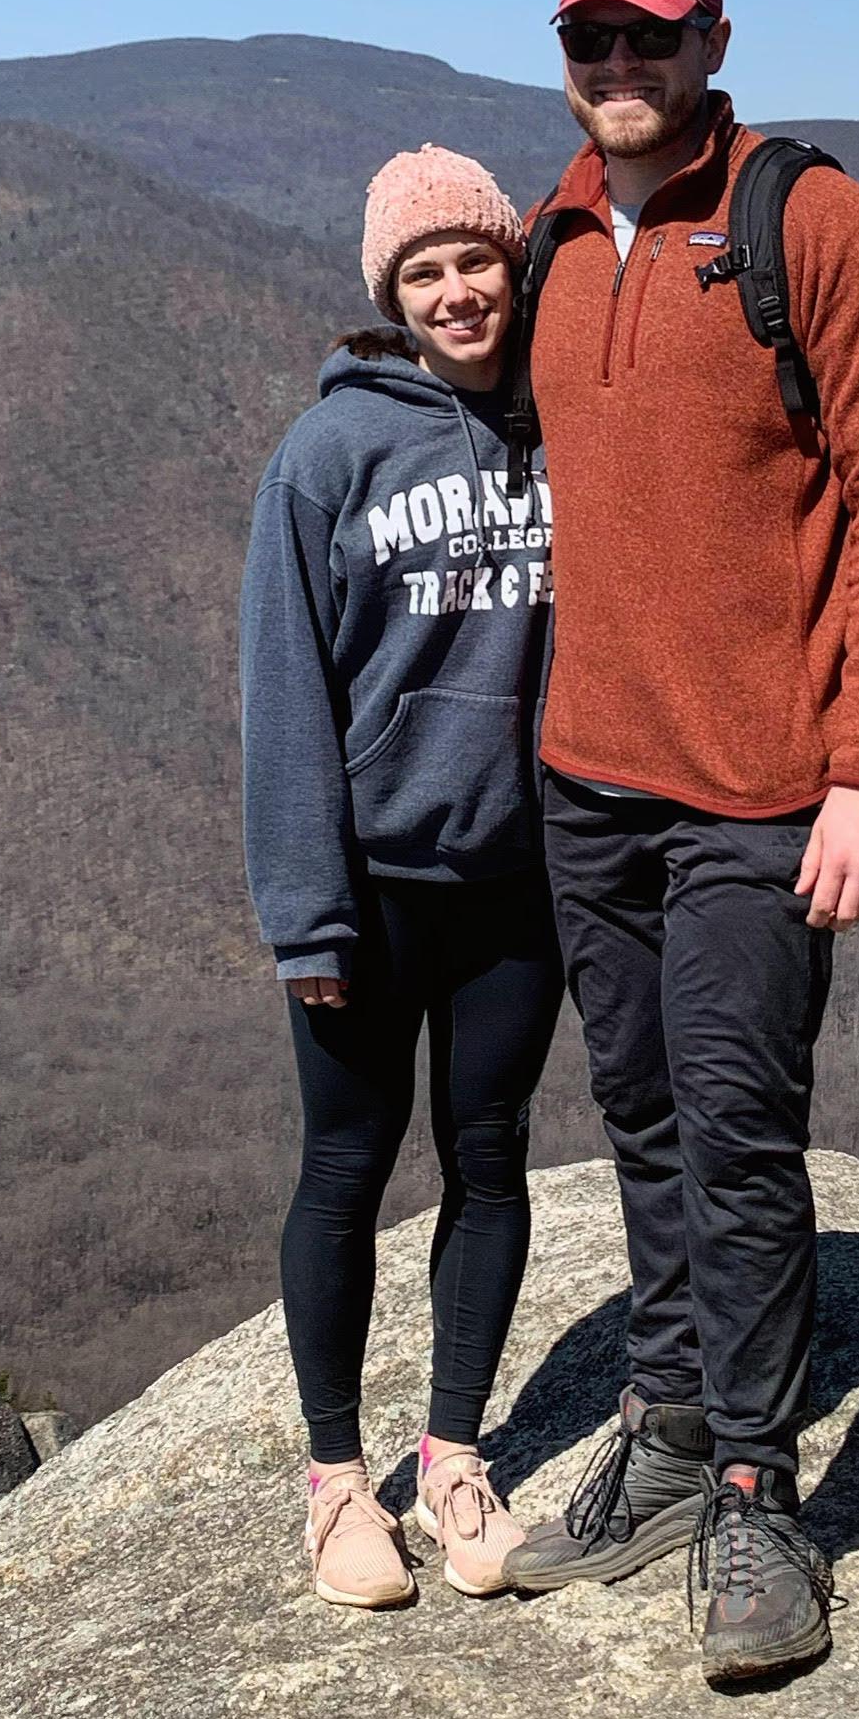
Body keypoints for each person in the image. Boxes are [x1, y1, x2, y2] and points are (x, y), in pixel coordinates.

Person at [503, 0, 859, 1686]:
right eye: (589, 42)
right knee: (640, 1114)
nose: (619, 71)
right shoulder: (548, 236)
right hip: (589, 779)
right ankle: (677, 1425)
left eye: (648, 40)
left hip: (764, 788)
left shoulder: (812, 228)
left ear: (710, 42)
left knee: (739, 1128)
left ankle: (765, 1491)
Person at [238, 146, 564, 1611]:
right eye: (423, 273)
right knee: (348, 1171)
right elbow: (284, 693)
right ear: (390, 297)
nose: (455, 291)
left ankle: (453, 1460)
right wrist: (306, 909)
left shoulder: (567, 425)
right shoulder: (327, 459)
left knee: (487, 1159)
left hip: (522, 880)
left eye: (475, 260)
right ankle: (331, 1484)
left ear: (513, 264)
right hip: (371, 885)